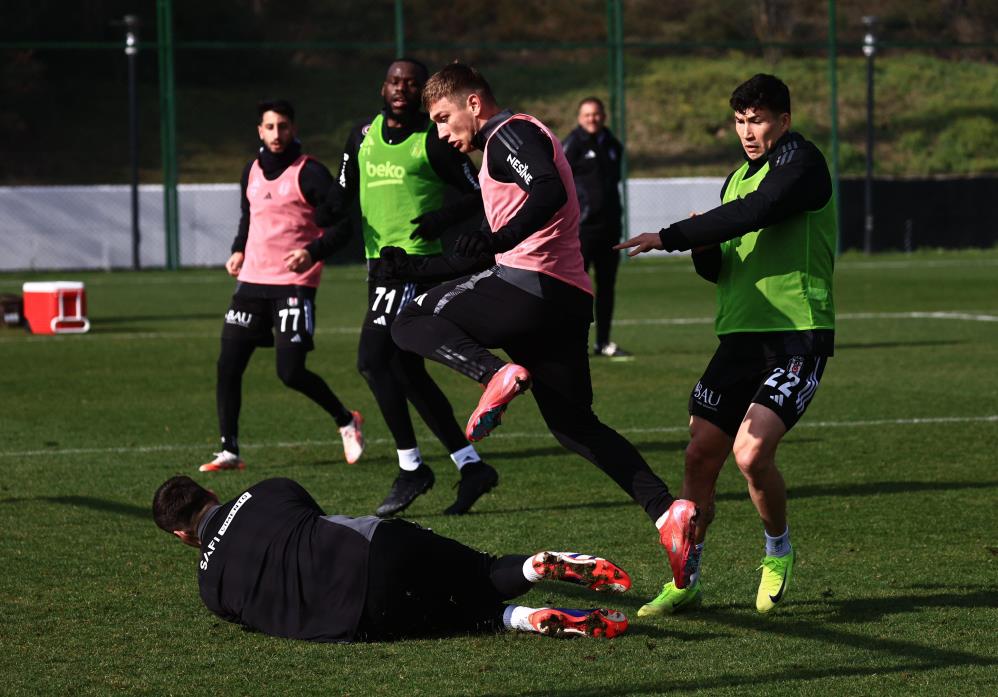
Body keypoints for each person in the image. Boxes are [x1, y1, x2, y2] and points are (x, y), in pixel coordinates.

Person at [378, 63, 699, 590]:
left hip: (530, 290)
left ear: (474, 104)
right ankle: (666, 512)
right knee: (574, 426)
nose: (440, 132)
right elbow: (485, 249)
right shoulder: (505, 151)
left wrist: (498, 243)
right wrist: (410, 268)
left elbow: (544, 195)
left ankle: (491, 375)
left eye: (442, 118)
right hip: (564, 302)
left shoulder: (509, 134)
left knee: (407, 320)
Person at [616, 74, 836, 615]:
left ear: (783, 120)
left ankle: (778, 551)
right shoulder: (735, 178)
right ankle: (686, 579)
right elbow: (721, 267)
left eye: (757, 119)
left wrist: (669, 235)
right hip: (738, 338)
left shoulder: (803, 165)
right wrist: (702, 245)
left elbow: (759, 211)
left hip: (795, 335)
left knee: (752, 452)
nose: (747, 131)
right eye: (740, 121)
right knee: (699, 456)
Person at [320, 58, 496, 517]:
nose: (402, 88)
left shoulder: (433, 143)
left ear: (422, 93)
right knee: (403, 370)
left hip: (416, 269)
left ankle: (412, 466)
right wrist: (326, 212)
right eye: (395, 81)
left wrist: (442, 219)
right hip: (380, 268)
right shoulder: (361, 138)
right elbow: (343, 193)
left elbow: (480, 192)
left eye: (412, 83)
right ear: (383, 87)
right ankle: (470, 464)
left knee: (372, 361)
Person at [153, 475, 631, 641]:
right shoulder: (266, 491)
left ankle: (525, 617)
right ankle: (533, 567)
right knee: (481, 571)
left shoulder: (209, 591)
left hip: (356, 618)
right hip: (375, 549)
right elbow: (314, 521)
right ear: (210, 492)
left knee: (469, 617)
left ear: (181, 535)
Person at [200, 99, 364, 473]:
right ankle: (229, 451)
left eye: (284, 127)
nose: (277, 134)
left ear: (294, 129)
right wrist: (238, 250)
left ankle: (346, 420)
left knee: (290, 372)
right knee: (228, 364)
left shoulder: (309, 173)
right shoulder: (251, 171)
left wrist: (312, 251)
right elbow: (249, 217)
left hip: (293, 283)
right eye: (270, 127)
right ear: (259, 130)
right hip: (251, 283)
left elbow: (343, 226)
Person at [562, 97, 629, 358]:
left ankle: (603, 342)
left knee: (607, 286)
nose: (593, 119)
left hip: (609, 228)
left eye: (597, 114)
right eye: (587, 114)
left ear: (604, 116)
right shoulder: (572, 145)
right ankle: (572, 343)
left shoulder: (612, 145)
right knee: (576, 288)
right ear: (580, 117)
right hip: (582, 229)